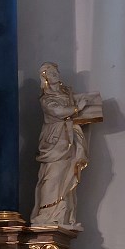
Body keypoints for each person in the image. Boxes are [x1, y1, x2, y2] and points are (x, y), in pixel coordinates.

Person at [31, 62, 89, 227]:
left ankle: (62, 213)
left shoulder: (67, 92)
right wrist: (78, 108)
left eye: (56, 71)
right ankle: (46, 213)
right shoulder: (46, 98)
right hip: (54, 140)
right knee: (52, 175)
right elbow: (57, 112)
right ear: (45, 78)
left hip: (69, 138)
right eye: (51, 73)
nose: (55, 74)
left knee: (67, 173)